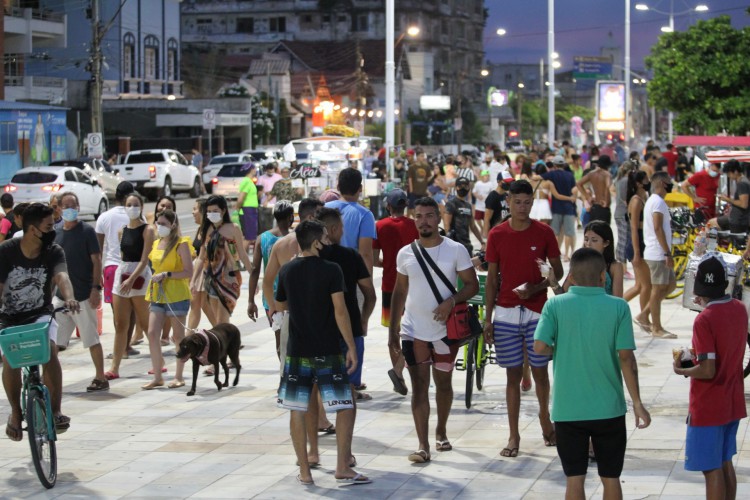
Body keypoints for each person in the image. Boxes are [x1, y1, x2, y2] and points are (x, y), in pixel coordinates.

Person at [534, 248, 651, 500]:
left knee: (574, 480)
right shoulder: (618, 307)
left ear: (572, 278)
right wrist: (638, 404)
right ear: (602, 277)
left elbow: (540, 347)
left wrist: (563, 350)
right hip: (608, 408)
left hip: (568, 410)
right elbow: (626, 359)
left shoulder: (554, 305)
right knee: (611, 479)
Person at [275, 220, 371, 486]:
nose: (328, 243)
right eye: (325, 239)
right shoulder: (332, 270)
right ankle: (342, 466)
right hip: (328, 350)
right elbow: (340, 311)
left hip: (297, 351)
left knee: (297, 407)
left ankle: (305, 471)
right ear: (316, 242)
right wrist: (351, 346)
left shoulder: (288, 270)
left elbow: (279, 303)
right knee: (344, 405)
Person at [389, 197, 478, 463]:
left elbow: (471, 285)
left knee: (443, 384)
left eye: (429, 215)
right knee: (418, 386)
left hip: (445, 332)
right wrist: (393, 328)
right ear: (413, 218)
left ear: (438, 218)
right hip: (413, 330)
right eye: (418, 216)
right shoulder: (405, 253)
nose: (424, 221)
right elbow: (400, 291)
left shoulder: (456, 250)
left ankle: (441, 430)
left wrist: (451, 301)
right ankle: (422, 444)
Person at [484, 179, 563, 457]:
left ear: (533, 201)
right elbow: (492, 278)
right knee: (512, 376)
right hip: (505, 312)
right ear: (508, 202)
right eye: (517, 202)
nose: (522, 207)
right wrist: (487, 318)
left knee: (541, 372)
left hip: (537, 312)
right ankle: (513, 435)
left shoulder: (544, 232)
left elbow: (558, 272)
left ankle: (545, 418)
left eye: (527, 202)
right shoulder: (497, 234)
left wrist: (537, 287)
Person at [0, 203, 80, 440]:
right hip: (9, 317)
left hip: (41, 314)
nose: (53, 228)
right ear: (33, 229)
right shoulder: (6, 251)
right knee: (10, 361)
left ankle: (55, 410)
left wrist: (70, 297)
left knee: (51, 351)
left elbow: (61, 276)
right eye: (48, 225)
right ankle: (15, 413)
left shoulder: (53, 251)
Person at [673, 254, 747, 500]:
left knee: (710, 468)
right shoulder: (739, 309)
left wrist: (682, 369)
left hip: (708, 404)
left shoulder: (704, 319)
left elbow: (707, 370)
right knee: (725, 461)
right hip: (732, 399)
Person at [317, 206, 377, 404]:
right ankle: (344, 433)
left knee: (317, 389)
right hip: (350, 327)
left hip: (318, 332)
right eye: (341, 227)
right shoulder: (351, 256)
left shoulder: (308, 259)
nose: (343, 231)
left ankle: (320, 423)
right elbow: (370, 295)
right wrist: (364, 320)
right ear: (333, 230)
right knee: (347, 391)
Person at [53, 192, 108, 392]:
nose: (70, 209)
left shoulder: (86, 231)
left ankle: (100, 377)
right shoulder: (56, 233)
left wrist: (96, 288)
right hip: (61, 298)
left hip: (83, 295)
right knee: (54, 343)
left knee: (90, 338)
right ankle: (48, 378)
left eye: (74, 205)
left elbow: (96, 260)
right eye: (66, 205)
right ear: (58, 208)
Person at [373, 189, 418, 396]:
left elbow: (374, 259)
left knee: (394, 335)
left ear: (388, 206)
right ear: (405, 205)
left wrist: (390, 264)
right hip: (414, 286)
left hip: (390, 285)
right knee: (415, 333)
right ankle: (402, 371)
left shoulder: (379, 226)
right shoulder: (415, 225)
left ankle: (398, 376)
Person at [142, 209, 193, 390]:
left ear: (172, 225)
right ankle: (158, 375)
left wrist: (168, 274)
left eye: (163, 223)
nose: (159, 226)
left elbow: (188, 271)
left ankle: (179, 375)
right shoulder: (156, 243)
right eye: (158, 222)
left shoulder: (181, 243)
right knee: (152, 332)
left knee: (178, 336)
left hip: (177, 294)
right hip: (158, 293)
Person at [106, 193, 155, 380]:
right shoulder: (122, 230)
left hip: (139, 276)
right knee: (121, 324)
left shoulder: (147, 230)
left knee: (145, 323)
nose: (132, 207)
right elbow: (122, 254)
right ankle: (114, 367)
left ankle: (156, 362)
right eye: (129, 204)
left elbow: (144, 260)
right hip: (123, 274)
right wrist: (125, 278)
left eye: (136, 204)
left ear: (141, 206)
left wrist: (132, 279)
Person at [193, 195, 254, 326]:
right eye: (209, 211)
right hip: (211, 279)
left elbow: (243, 255)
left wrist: (253, 277)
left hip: (229, 280)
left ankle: (227, 344)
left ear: (223, 211)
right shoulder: (206, 229)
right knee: (217, 321)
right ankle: (225, 344)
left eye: (215, 211)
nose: (211, 214)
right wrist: (193, 281)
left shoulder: (233, 228)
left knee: (222, 319)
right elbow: (201, 257)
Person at [96, 181, 139, 361]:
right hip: (133, 267)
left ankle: (121, 347)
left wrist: (98, 272)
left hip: (112, 267)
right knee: (134, 310)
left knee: (117, 312)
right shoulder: (137, 216)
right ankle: (126, 345)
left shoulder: (104, 217)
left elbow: (98, 249)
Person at [248, 200, 295, 357]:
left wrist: (250, 301)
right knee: (294, 338)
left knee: (279, 336)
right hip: (292, 296)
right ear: (290, 217)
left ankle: (283, 373)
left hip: (271, 298)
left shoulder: (262, 238)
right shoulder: (295, 238)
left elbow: (254, 270)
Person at [643, 171, 677, 338]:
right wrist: (667, 252)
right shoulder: (658, 202)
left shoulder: (655, 201)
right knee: (657, 290)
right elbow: (657, 228)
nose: (671, 184)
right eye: (669, 181)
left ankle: (644, 314)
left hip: (658, 252)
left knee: (670, 285)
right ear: (663, 183)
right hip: (658, 253)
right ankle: (657, 328)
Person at [623, 171, 653, 332]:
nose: (649, 181)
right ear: (639, 183)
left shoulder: (642, 199)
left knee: (640, 285)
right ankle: (644, 318)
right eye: (646, 179)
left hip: (640, 243)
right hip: (637, 244)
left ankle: (615, 308)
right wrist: (636, 252)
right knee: (646, 285)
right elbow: (634, 228)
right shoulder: (636, 201)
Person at [187, 198, 216, 331]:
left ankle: (187, 336)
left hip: (206, 271)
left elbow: (203, 255)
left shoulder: (209, 230)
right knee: (202, 304)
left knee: (198, 304)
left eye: (195, 209)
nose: (193, 212)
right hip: (200, 270)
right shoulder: (201, 229)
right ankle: (223, 331)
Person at [543, 156, 577, 259]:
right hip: (569, 208)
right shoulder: (570, 175)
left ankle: (556, 253)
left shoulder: (552, 174)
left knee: (555, 233)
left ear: (554, 165)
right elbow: (574, 189)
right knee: (569, 233)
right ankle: (568, 254)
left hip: (556, 208)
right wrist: (572, 198)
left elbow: (538, 177)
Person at [443, 177, 484, 256]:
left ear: (469, 188)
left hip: (467, 245)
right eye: (460, 186)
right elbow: (446, 225)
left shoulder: (468, 205)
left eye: (465, 186)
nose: (463, 188)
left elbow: (473, 226)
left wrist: (482, 241)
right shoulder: (451, 204)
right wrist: (450, 244)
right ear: (456, 188)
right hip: (454, 246)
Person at [708, 160, 750, 234]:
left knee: (711, 223)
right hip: (737, 218)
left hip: (738, 220)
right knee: (711, 223)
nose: (728, 175)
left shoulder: (742, 184)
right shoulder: (742, 181)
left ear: (736, 171)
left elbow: (744, 204)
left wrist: (727, 199)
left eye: (729, 173)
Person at [577, 155, 613, 225]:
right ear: (608, 165)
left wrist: (588, 197)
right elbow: (607, 186)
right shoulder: (607, 175)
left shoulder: (592, 173)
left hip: (595, 206)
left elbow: (579, 184)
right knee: (604, 233)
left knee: (595, 231)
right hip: (603, 207)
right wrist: (606, 201)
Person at [235, 163, 260, 252]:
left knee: (251, 237)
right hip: (247, 211)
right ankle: (241, 258)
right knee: (249, 238)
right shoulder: (246, 181)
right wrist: (237, 208)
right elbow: (241, 198)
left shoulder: (249, 181)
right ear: (252, 170)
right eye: (255, 169)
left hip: (251, 210)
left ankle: (242, 258)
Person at [482, 171, 513, 240]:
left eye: (509, 182)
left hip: (506, 232)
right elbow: (487, 219)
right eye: (506, 182)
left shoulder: (507, 196)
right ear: (499, 182)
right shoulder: (493, 196)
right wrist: (485, 239)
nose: (508, 184)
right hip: (496, 233)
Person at [407, 151, 432, 215]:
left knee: (423, 208)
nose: (423, 158)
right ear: (417, 157)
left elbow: (429, 177)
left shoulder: (427, 167)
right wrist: (411, 190)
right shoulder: (412, 167)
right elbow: (410, 179)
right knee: (412, 208)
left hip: (423, 191)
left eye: (423, 156)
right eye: (421, 156)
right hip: (414, 191)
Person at [472, 169, 494, 235]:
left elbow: (492, 192)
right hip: (479, 205)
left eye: (487, 176)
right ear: (482, 176)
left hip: (487, 205)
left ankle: (486, 230)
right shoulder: (478, 183)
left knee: (486, 219)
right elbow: (474, 192)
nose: (486, 177)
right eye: (485, 176)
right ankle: (481, 228)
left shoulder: (490, 184)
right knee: (477, 218)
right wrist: (478, 196)